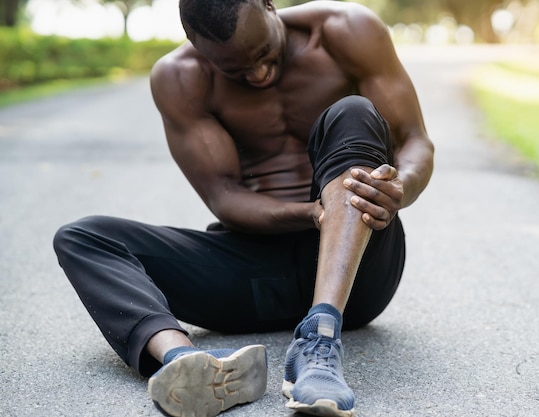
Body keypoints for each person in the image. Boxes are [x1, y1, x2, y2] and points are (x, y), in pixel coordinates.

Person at [53, 0, 434, 416]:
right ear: (196, 45)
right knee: (84, 237)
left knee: (353, 111)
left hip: (358, 270)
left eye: (263, 54)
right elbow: (224, 196)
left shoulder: (347, 30)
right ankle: (186, 362)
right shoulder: (181, 77)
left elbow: (413, 139)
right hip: (254, 275)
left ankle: (320, 336)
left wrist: (401, 186)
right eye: (234, 68)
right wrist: (310, 212)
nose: (257, 73)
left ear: (269, 6)